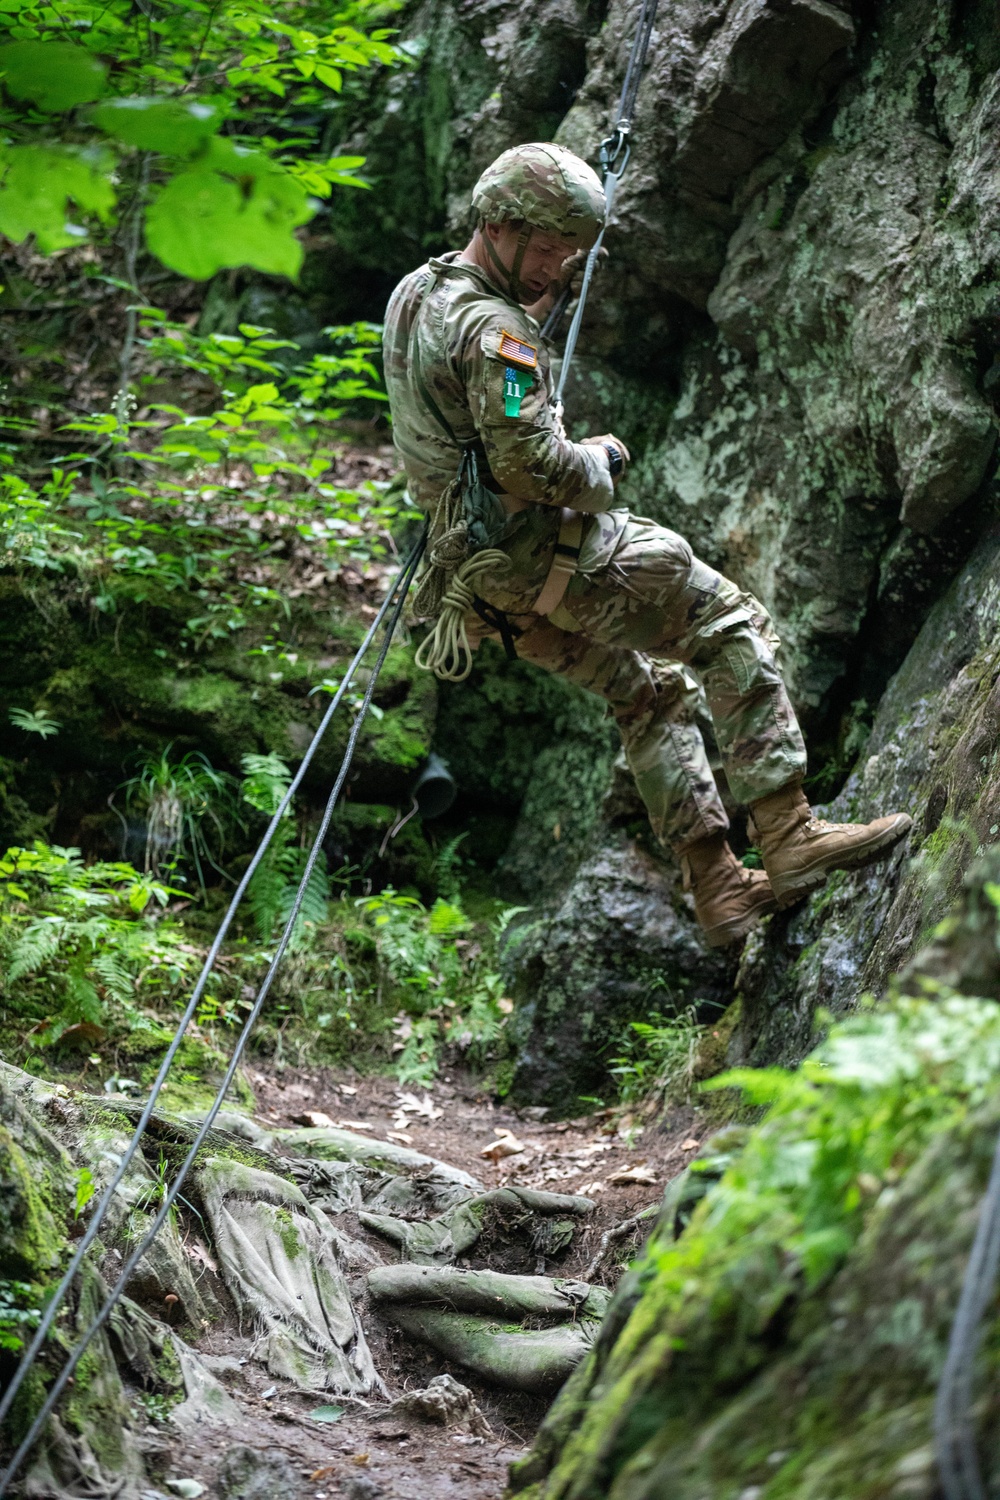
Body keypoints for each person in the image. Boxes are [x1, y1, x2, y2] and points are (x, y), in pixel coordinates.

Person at [382, 142, 911, 948]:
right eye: (550, 247)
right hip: (547, 554)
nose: (559, 270)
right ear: (500, 223)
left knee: (649, 692)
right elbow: (533, 463)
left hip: (487, 587)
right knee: (726, 622)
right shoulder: (497, 331)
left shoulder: (417, 295)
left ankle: (720, 889)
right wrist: (603, 461)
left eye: (573, 253)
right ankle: (791, 834)